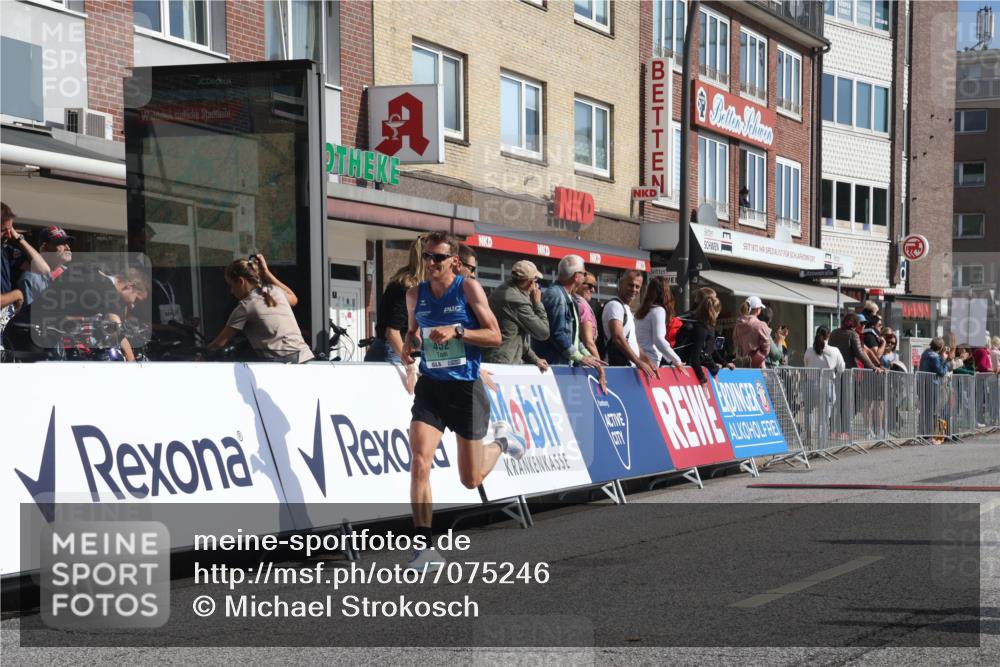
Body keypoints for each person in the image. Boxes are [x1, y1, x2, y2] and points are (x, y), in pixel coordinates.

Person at [400, 232, 511, 572]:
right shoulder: (414, 294)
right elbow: (412, 332)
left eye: (438, 258)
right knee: (419, 460)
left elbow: (495, 336)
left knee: (470, 479)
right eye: (427, 257)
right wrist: (410, 344)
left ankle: (504, 442)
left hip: (465, 389)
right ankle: (423, 548)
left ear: (455, 262)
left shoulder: (468, 289)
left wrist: (458, 330)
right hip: (432, 387)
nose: (430, 263)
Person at [206, 254, 314, 363]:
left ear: (241, 281)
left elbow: (219, 344)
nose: (232, 291)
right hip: (304, 357)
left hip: (281, 364)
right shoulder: (275, 291)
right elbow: (294, 299)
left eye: (231, 285)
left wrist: (201, 353)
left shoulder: (245, 306)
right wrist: (267, 273)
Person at [532, 254, 604, 370]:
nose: (585, 277)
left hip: (561, 366)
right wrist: (580, 357)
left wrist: (587, 355)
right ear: (576, 276)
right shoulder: (557, 296)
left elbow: (572, 336)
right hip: (553, 367)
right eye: (584, 274)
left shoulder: (567, 297)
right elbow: (557, 334)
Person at [483, 259, 549, 371]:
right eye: (536, 281)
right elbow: (543, 332)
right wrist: (537, 303)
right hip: (502, 363)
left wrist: (535, 359)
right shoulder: (517, 300)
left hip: (496, 358)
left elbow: (515, 336)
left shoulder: (504, 290)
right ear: (530, 282)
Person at [365, 237, 423, 366]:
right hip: (392, 350)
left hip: (395, 348)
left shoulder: (410, 283)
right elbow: (392, 332)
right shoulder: (406, 287)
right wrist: (409, 365)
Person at [601, 270, 658, 378]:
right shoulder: (615, 306)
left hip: (627, 369)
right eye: (630, 285)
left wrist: (647, 361)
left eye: (637, 287)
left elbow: (632, 343)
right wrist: (638, 362)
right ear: (621, 283)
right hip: (617, 370)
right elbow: (618, 338)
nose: (634, 290)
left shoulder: (626, 308)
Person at [674, 295, 724, 393]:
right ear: (715, 311)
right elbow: (695, 358)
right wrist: (703, 379)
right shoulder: (702, 329)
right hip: (684, 369)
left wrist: (714, 367)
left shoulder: (698, 323)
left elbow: (703, 354)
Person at [804, 326, 845, 440]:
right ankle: (822, 440)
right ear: (829, 335)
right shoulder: (834, 350)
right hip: (828, 384)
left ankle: (808, 437)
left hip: (811, 383)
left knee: (809, 412)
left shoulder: (809, 350)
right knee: (825, 415)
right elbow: (842, 368)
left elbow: (806, 365)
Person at [635, 275, 682, 367]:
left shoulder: (641, 311)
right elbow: (658, 340)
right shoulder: (658, 310)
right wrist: (677, 361)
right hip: (651, 360)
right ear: (666, 292)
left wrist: (671, 360)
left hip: (638, 358)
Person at [17, 226, 71, 306]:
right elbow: (29, 315)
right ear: (44, 248)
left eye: (67, 243)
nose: (68, 248)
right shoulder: (30, 279)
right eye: (60, 243)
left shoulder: (71, 274)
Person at [733, 296, 771, 368]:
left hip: (740, 363)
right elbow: (766, 346)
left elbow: (735, 342)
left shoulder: (738, 324)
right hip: (757, 363)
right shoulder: (760, 325)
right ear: (757, 310)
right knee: (759, 379)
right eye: (760, 308)